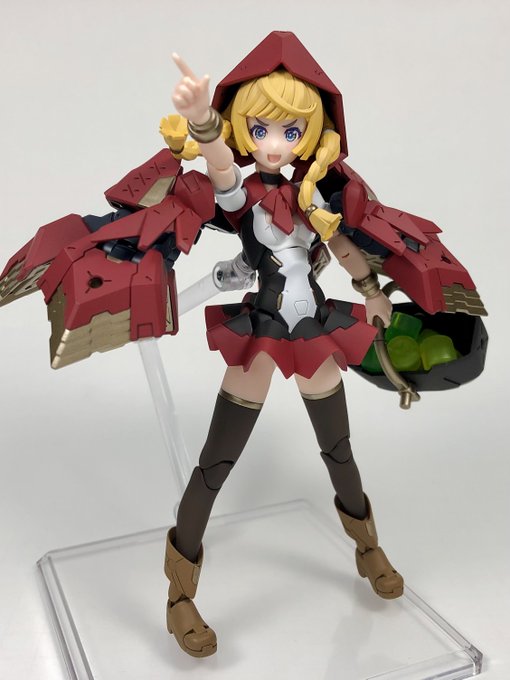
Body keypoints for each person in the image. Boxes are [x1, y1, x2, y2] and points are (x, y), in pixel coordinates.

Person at [161, 31, 403, 659]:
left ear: (311, 135)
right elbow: (220, 168)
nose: (274, 143)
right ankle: (180, 593)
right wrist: (204, 122)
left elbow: (343, 246)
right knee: (216, 462)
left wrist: (371, 290)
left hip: (313, 330)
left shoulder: (312, 196)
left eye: (291, 131)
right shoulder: (244, 196)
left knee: (339, 450)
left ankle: (368, 547)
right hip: (264, 333)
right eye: (262, 129)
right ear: (245, 129)